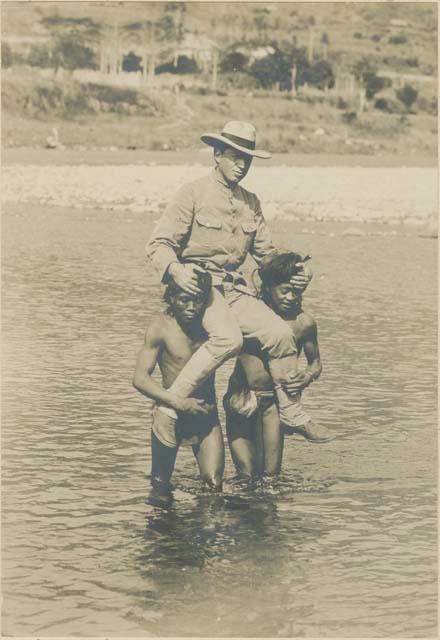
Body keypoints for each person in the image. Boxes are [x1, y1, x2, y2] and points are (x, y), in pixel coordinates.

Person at [145, 121, 314, 436]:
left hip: (236, 290)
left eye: (246, 159)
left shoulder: (250, 201)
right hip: (198, 287)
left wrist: (298, 269)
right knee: (229, 339)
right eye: (234, 156)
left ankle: (292, 413)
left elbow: (267, 257)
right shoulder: (192, 193)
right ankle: (168, 406)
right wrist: (177, 271)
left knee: (279, 333)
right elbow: (158, 244)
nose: (241, 164)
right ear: (217, 154)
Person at [224, 251, 331, 480]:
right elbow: (257, 268)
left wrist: (307, 376)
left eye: (297, 291)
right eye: (285, 290)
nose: (291, 297)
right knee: (244, 475)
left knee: (270, 477)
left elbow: (316, 363)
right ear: (270, 287)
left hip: (273, 404)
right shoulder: (250, 313)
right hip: (240, 395)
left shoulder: (303, 323)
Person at [133, 271, 224, 507]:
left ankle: (205, 539)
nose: (192, 307)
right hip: (171, 412)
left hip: (205, 412)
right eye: (184, 300)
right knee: (160, 488)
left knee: (214, 488)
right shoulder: (160, 327)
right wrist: (179, 402)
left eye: (198, 300)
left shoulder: (216, 327)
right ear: (171, 298)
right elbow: (140, 379)